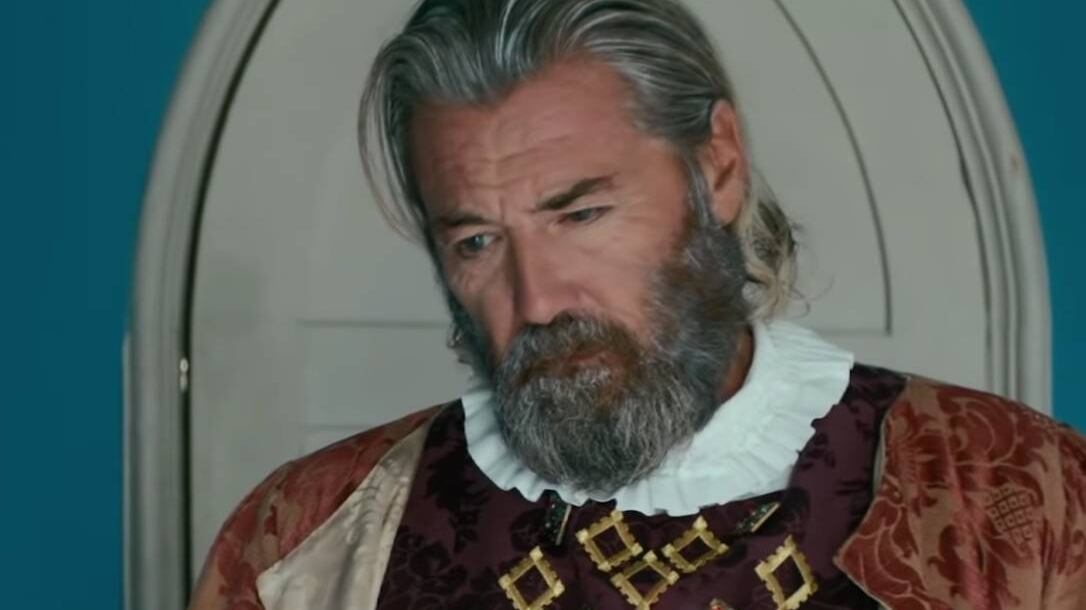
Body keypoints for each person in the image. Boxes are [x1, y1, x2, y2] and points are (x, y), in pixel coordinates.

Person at [188, 1, 1086, 608]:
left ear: (717, 167)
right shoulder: (305, 547)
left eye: (580, 215)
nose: (538, 301)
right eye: (477, 242)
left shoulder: (1020, 496)